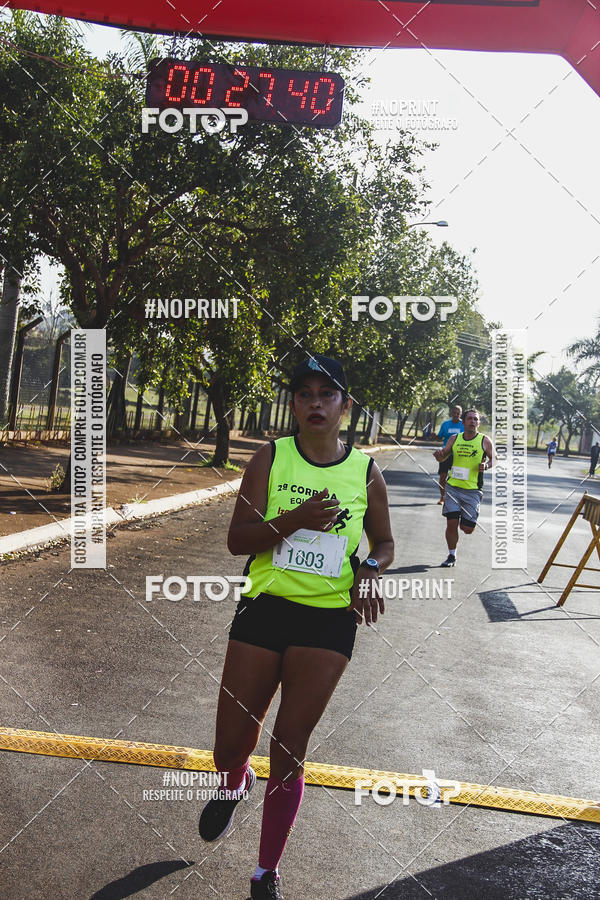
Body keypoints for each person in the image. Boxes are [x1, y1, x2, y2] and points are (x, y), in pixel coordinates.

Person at [199, 353, 394, 900]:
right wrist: (296, 520)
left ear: (345, 407)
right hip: (264, 609)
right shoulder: (270, 458)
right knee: (228, 748)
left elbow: (384, 542)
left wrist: (372, 569)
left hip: (330, 620)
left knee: (290, 745)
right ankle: (235, 781)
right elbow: (239, 539)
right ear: (294, 403)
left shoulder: (366, 471)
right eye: (304, 394)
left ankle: (266, 872)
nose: (315, 403)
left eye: (326, 395)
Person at [433, 408, 495, 568]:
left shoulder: (484, 440)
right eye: (470, 419)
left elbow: (495, 459)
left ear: (478, 423)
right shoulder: (455, 438)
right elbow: (445, 454)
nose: (473, 421)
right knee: (451, 523)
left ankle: (465, 519)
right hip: (453, 487)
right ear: (463, 422)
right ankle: (451, 555)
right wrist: (439, 455)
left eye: (476, 419)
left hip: (473, 490)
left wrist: (486, 465)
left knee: (467, 528)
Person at [435, 405, 464, 504]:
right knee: (443, 477)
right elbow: (439, 437)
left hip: (459, 455)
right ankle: (442, 497)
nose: (456, 415)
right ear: (451, 413)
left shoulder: (463, 425)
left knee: (457, 477)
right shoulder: (445, 424)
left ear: (460, 414)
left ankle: (455, 498)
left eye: (458, 413)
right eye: (454, 413)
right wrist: (434, 436)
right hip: (445, 454)